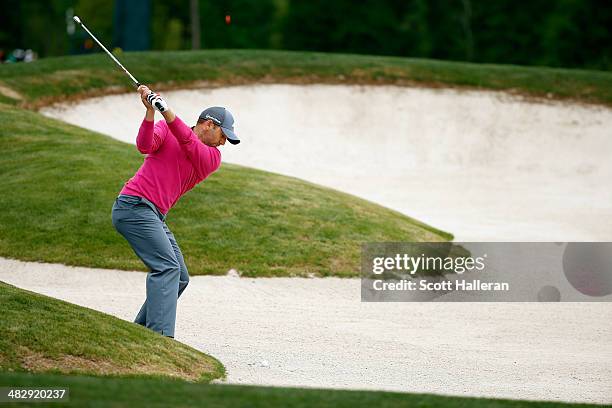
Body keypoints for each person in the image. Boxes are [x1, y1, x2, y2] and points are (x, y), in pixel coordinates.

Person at [111, 85, 240, 338]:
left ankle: (140, 333)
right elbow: (144, 146)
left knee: (179, 276)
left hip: (154, 215)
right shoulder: (165, 129)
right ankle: (160, 337)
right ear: (209, 125)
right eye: (224, 135)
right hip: (133, 205)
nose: (225, 142)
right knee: (167, 268)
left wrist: (167, 111)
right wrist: (151, 113)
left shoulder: (211, 157)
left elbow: (187, 141)